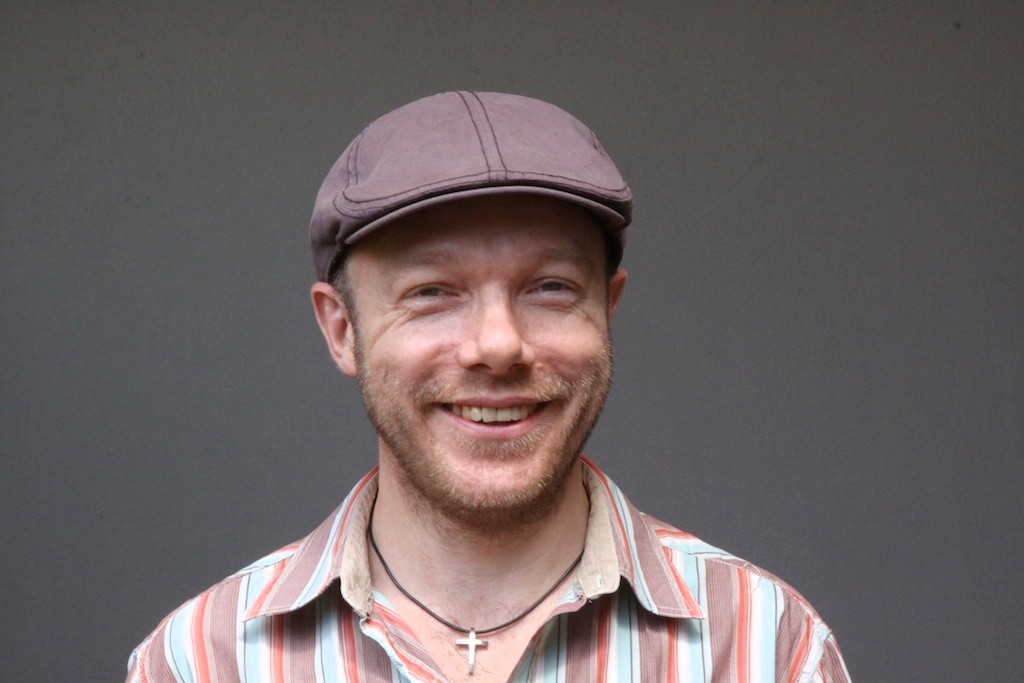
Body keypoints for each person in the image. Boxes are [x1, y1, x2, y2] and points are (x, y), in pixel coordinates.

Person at [126, 91, 851, 682]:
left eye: (550, 286)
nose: (498, 345)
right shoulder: (201, 662)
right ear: (341, 329)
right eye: (432, 292)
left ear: (608, 309)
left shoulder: (766, 648)